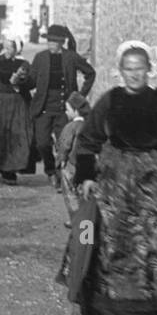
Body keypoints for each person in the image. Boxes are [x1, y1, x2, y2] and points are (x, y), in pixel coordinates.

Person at [66, 41, 157, 315]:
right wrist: (87, 175)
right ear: (120, 71)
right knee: (115, 242)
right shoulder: (110, 100)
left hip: (152, 178)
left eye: (139, 69)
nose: (134, 75)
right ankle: (117, 311)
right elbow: (88, 138)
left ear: (149, 71)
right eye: (128, 70)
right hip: (115, 181)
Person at [27, 24, 95, 188]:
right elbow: (31, 82)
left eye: (54, 41)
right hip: (43, 107)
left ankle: (60, 174)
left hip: (64, 109)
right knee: (42, 143)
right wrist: (21, 79)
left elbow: (90, 73)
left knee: (64, 145)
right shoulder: (40, 57)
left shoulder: (71, 57)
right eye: (49, 40)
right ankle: (50, 170)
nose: (50, 44)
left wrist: (79, 97)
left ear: (61, 42)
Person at [0, 36, 34, 184]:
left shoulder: (23, 64)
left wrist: (20, 83)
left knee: (17, 135)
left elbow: (31, 83)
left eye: (10, 47)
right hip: (0, 102)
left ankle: (12, 168)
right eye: (5, 47)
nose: (7, 50)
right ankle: (1, 166)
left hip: (17, 103)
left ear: (16, 49)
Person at [55, 91, 90, 221]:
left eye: (68, 109)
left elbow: (64, 146)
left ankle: (75, 218)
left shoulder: (71, 127)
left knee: (71, 193)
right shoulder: (91, 125)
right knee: (85, 194)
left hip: (72, 165)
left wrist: (60, 161)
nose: (66, 112)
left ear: (75, 110)